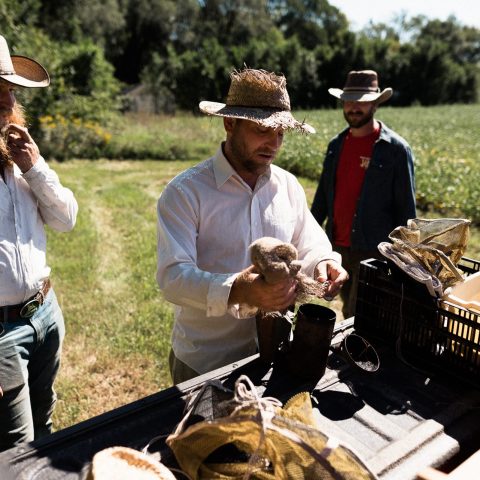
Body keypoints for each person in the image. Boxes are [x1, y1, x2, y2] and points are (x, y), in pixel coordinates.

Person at [157, 67, 348, 384]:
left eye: (281, 133)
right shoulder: (185, 192)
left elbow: (310, 242)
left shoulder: (287, 186)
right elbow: (173, 278)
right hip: (206, 363)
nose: (273, 142)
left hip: (275, 354)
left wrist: (326, 263)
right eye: (263, 129)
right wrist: (238, 289)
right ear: (229, 123)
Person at [0, 35, 78, 451]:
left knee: (44, 423)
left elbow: (66, 219)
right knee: (14, 445)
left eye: (9, 90)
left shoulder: (20, 156)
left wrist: (35, 167)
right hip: (1, 333)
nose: (7, 100)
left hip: (45, 314)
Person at [311, 70, 416, 319]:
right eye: (349, 101)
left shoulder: (396, 150)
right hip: (337, 245)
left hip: (373, 250)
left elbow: (406, 211)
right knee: (346, 307)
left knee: (361, 315)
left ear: (375, 103)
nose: (354, 107)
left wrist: (406, 260)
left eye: (362, 101)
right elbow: (322, 200)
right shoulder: (335, 146)